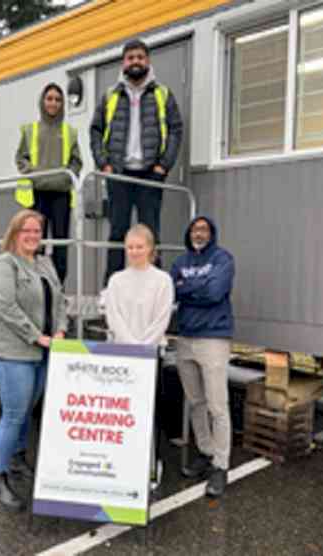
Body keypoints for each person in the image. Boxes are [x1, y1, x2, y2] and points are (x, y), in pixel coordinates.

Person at [0, 209, 67, 512]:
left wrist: (60, 329)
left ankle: (18, 459)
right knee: (13, 415)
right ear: (15, 233)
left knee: (27, 410)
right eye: (27, 231)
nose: (33, 236)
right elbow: (5, 307)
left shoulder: (44, 262)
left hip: (45, 349)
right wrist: (37, 336)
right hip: (13, 352)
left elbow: (61, 299)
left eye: (37, 231)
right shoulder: (4, 264)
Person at [90, 39, 184, 284]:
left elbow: (176, 129)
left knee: (150, 233)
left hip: (150, 175)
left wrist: (164, 165)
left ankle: (153, 288)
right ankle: (110, 291)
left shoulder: (162, 93)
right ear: (123, 63)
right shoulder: (110, 95)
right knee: (117, 234)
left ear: (148, 61)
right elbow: (96, 131)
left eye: (140, 57)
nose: (135, 62)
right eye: (130, 58)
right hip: (119, 175)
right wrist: (104, 165)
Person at [104, 223, 174, 490]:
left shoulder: (162, 280)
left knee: (150, 412)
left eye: (139, 247)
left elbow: (161, 319)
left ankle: (151, 465)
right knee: (123, 415)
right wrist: (131, 346)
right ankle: (124, 464)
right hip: (123, 355)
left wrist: (144, 348)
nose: (134, 251)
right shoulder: (116, 280)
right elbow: (114, 317)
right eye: (130, 247)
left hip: (150, 355)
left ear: (150, 249)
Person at [170, 217, 235, 498]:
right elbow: (173, 290)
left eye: (204, 229)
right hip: (185, 338)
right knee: (196, 402)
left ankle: (221, 465)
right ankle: (206, 452)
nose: (199, 233)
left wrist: (188, 289)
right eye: (195, 229)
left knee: (217, 406)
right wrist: (194, 289)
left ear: (212, 234)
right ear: (189, 233)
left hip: (213, 338)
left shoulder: (223, 259)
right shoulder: (179, 261)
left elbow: (214, 292)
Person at [15, 83, 82, 284]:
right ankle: (35, 286)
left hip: (61, 194)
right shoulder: (30, 130)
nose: (53, 103)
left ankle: (58, 288)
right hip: (37, 195)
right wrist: (35, 174)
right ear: (42, 102)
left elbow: (77, 162)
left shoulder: (69, 132)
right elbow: (21, 159)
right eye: (49, 98)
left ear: (62, 104)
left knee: (61, 243)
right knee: (35, 242)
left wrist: (64, 177)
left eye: (58, 99)